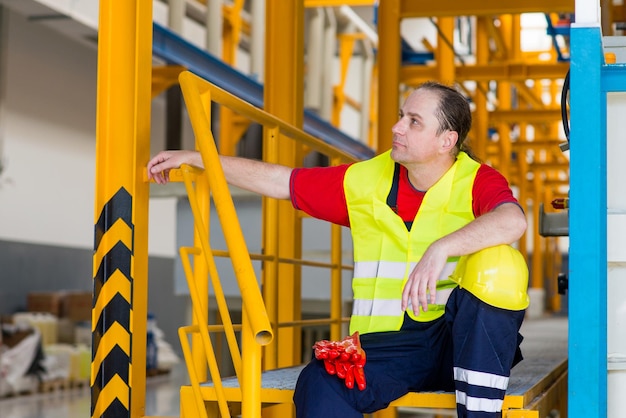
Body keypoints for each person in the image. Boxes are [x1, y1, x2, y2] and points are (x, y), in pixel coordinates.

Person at [147, 81, 528, 418]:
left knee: (502, 262)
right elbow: (284, 181)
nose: (396, 127)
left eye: (414, 121)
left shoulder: (476, 180)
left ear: (447, 140)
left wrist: (442, 247)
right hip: (391, 347)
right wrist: (201, 159)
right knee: (320, 382)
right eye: (400, 116)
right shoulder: (366, 180)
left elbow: (513, 221)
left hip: (462, 342)